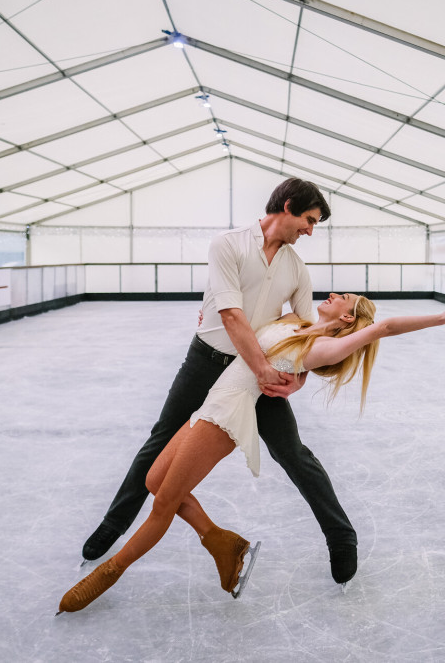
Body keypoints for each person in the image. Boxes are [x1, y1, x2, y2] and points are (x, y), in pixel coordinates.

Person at [58, 295, 445, 613]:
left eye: (343, 298)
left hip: (228, 415)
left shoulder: (320, 348)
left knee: (165, 501)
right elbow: (242, 317)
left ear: (348, 318)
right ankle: (221, 542)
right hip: (211, 401)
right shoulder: (295, 319)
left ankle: (109, 573)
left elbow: (383, 328)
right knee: (154, 480)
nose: (333, 294)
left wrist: (442, 317)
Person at [81, 178, 360, 587]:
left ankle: (340, 535)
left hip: (255, 374)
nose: (310, 230)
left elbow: (306, 333)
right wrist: (262, 368)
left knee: (292, 453)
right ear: (288, 206)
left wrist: (297, 381)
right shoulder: (228, 244)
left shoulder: (297, 270)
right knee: (161, 438)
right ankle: (114, 523)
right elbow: (231, 314)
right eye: (310, 220)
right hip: (208, 361)